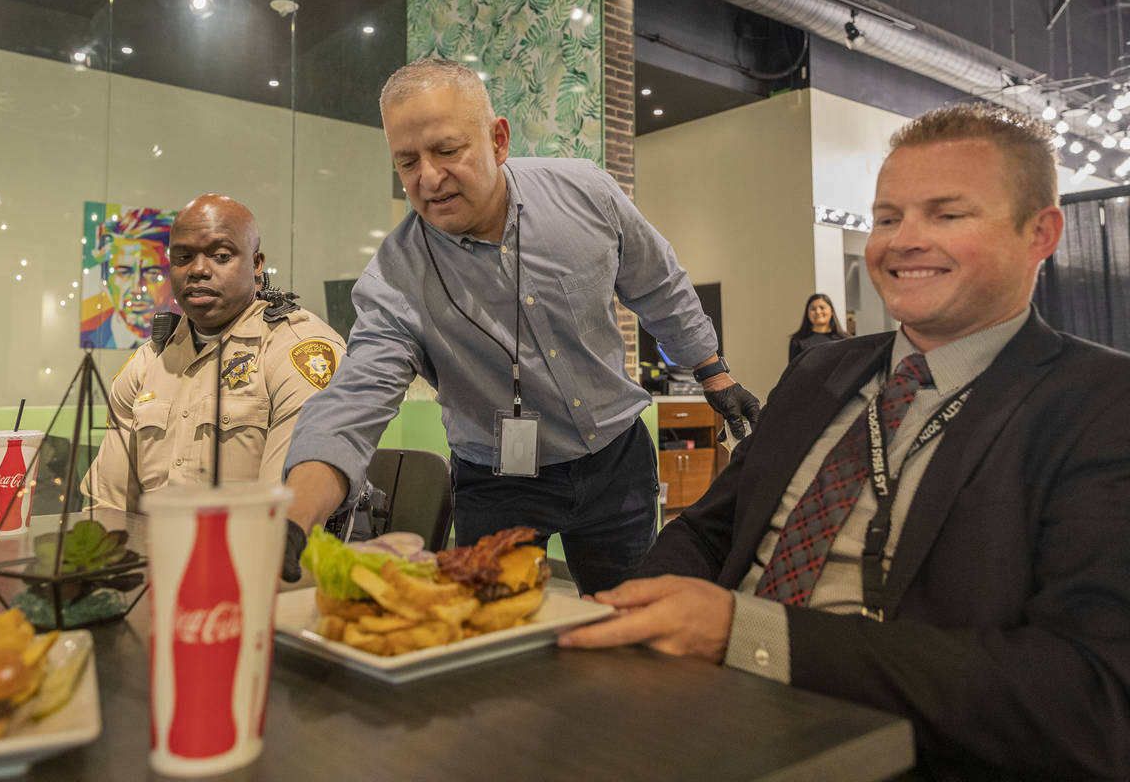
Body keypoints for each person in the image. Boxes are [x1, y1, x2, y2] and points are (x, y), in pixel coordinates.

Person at [558, 103, 1130, 779]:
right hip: (692, 706)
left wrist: (748, 635)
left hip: (891, 744)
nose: (902, 241)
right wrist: (641, 614)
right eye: (887, 218)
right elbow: (712, 530)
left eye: (946, 215)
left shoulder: (1099, 403)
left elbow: (1086, 699)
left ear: (1041, 234)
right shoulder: (817, 372)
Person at [282, 58, 761, 594]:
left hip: (615, 462)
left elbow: (659, 285)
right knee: (492, 639)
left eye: (445, 150)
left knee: (629, 624)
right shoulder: (395, 279)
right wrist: (292, 519)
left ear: (498, 139)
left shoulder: (586, 195)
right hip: (496, 482)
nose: (429, 178)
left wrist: (713, 374)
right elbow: (354, 399)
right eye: (407, 162)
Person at [84, 194, 346, 514]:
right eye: (182, 258)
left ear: (256, 264)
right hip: (151, 558)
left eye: (221, 256)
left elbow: (283, 516)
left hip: (253, 557)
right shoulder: (148, 362)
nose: (198, 270)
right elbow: (107, 506)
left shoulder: (297, 352)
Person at [81, 208, 179, 349]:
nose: (136, 289)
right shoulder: (91, 339)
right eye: (123, 272)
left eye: (152, 273)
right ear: (105, 281)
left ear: (173, 280)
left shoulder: (188, 345)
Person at [787, 293, 847, 361]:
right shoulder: (798, 340)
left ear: (831, 311)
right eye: (813, 309)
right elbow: (793, 370)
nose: (818, 312)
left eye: (822, 308)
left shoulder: (844, 339)